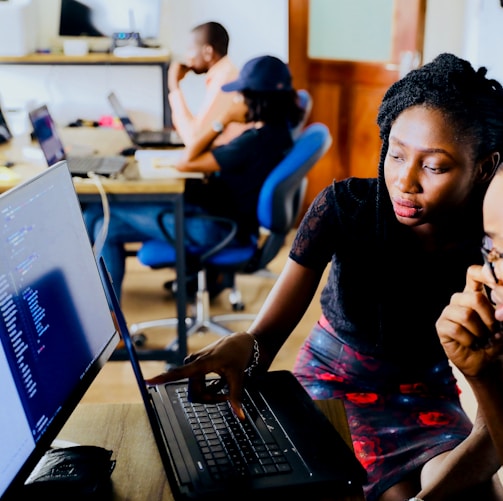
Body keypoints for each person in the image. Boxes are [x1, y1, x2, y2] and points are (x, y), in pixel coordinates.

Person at [146, 53, 503, 501]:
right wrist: (245, 347)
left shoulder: (492, 252)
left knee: (476, 493)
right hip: (333, 382)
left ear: (485, 167)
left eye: (433, 166)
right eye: (395, 155)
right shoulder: (344, 209)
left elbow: (495, 430)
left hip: (425, 395)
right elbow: (265, 338)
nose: (404, 181)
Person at [84, 55, 304, 302]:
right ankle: (108, 315)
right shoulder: (279, 133)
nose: (235, 99)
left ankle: (109, 318)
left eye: (240, 94)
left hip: (215, 228)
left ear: (255, 98)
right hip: (223, 219)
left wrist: (222, 121)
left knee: (101, 219)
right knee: (98, 219)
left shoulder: (254, 142)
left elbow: (186, 161)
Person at [168, 21, 247, 147]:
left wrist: (174, 87)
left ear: (208, 52)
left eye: (190, 49)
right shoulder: (225, 73)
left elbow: (194, 139)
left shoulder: (224, 80)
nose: (187, 57)